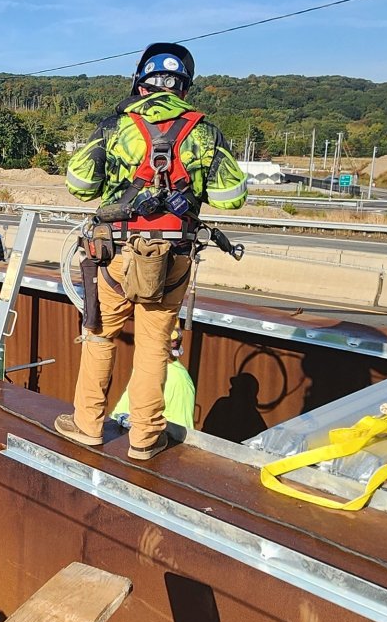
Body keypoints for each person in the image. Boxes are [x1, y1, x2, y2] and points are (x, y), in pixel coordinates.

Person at [58, 43, 248, 459]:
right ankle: (145, 438)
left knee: (100, 335)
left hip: (115, 256)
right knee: (153, 348)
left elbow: (79, 185)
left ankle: (88, 425)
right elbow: (231, 195)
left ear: (140, 85)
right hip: (172, 260)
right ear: (182, 88)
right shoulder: (204, 132)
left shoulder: (114, 127)